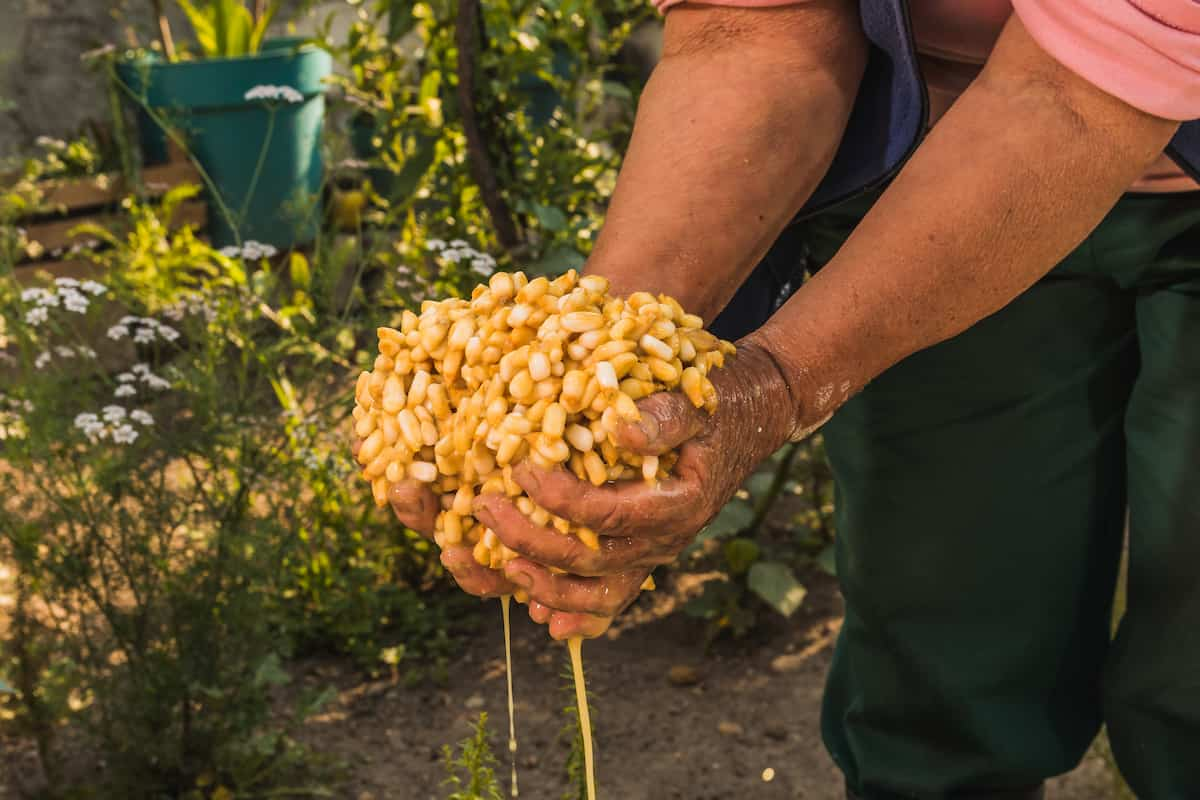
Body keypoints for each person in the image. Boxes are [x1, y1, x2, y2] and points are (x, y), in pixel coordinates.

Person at [388, 2, 1200, 797]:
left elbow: (1075, 94)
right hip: (946, 158)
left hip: (1081, 109)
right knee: (940, 654)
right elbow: (754, 28)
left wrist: (775, 383)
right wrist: (599, 366)